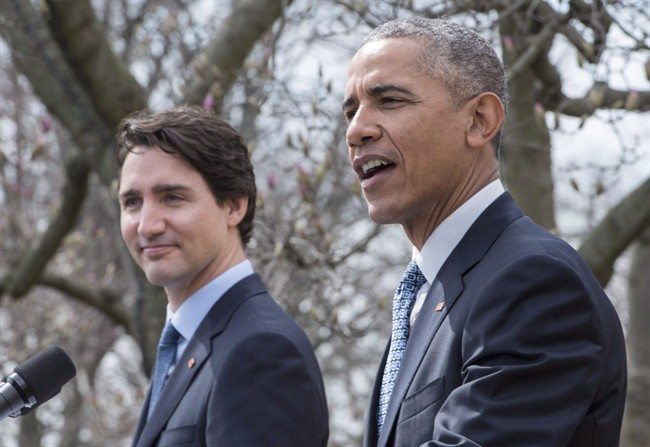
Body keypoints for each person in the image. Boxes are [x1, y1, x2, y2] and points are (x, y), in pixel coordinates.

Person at [342, 17, 626, 447]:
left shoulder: (534, 281)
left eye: (390, 101)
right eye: (351, 110)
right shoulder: (427, 294)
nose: (356, 130)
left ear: (479, 120)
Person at [114, 106, 329, 447]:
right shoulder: (189, 343)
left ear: (233, 206)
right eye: (132, 202)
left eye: (172, 197)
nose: (147, 225)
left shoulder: (261, 351)